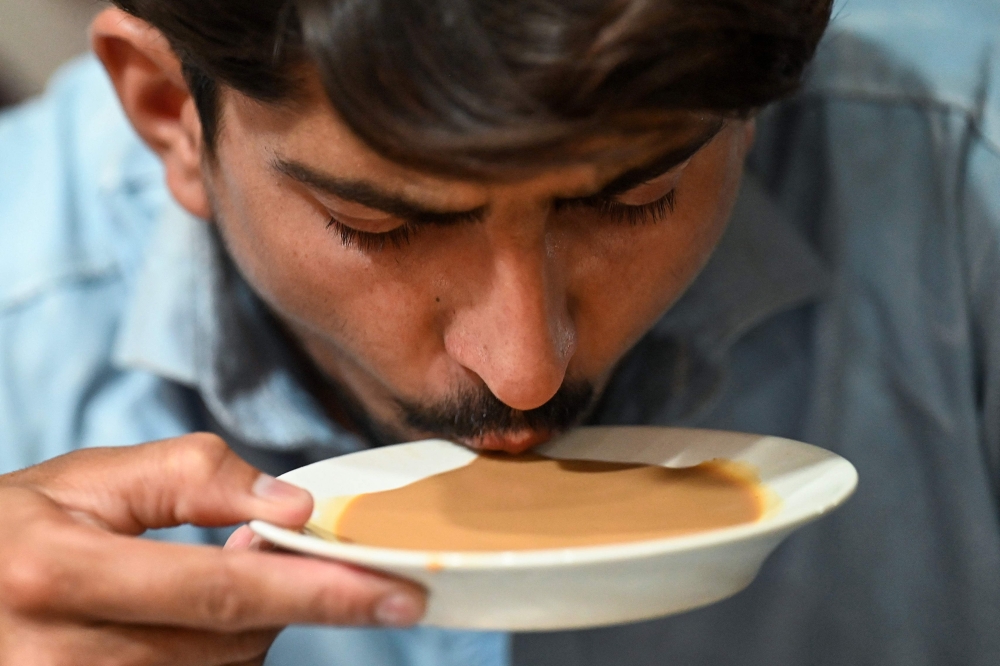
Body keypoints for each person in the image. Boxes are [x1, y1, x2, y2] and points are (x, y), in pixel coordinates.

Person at [0, 0, 997, 664]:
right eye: (378, 225)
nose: (524, 369)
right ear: (170, 111)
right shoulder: (23, 308)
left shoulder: (965, 180)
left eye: (637, 196)